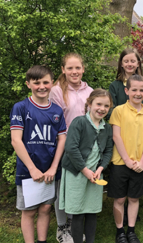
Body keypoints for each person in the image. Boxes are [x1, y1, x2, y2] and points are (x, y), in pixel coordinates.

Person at [10, 65, 67, 243]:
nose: (42, 86)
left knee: (44, 209)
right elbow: (16, 140)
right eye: (36, 83)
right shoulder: (21, 107)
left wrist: (54, 167)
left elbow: (62, 140)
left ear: (52, 83)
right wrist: (32, 169)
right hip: (28, 171)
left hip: (49, 170)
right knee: (29, 211)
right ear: (28, 84)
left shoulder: (57, 111)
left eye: (45, 82)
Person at [59, 89, 113, 243]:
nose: (102, 108)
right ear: (89, 104)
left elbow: (108, 150)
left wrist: (101, 168)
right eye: (98, 104)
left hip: (95, 175)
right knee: (78, 212)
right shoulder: (79, 122)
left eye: (106, 106)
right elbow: (71, 148)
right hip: (77, 173)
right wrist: (85, 170)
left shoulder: (107, 128)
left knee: (92, 211)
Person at [49, 52, 93, 243]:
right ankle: (62, 227)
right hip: (64, 146)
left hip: (85, 148)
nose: (74, 72)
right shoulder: (57, 90)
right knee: (62, 188)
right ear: (63, 70)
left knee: (76, 187)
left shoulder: (89, 90)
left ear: (83, 69)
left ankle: (73, 224)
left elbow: (93, 119)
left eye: (78, 68)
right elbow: (55, 121)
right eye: (70, 68)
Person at [108, 74, 143, 243]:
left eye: (141, 90)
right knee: (120, 198)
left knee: (134, 198)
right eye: (134, 89)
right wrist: (127, 160)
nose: (138, 93)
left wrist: (142, 161)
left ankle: (131, 230)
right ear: (126, 90)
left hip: (139, 165)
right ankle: (120, 230)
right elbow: (116, 137)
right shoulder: (118, 111)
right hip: (121, 163)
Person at [108, 48, 143, 118]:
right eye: (126, 61)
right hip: (120, 125)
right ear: (121, 64)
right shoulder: (114, 86)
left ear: (138, 63)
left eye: (132, 61)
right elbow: (110, 109)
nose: (129, 64)